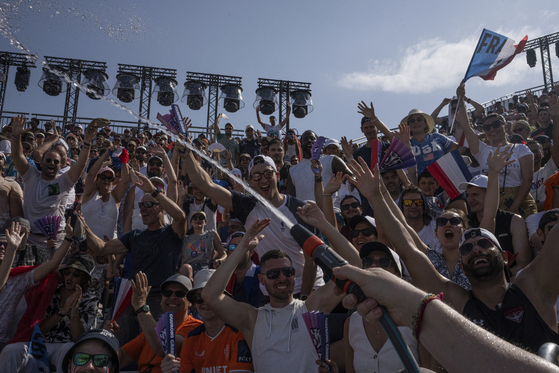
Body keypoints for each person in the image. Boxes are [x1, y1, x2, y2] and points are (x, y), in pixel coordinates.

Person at [347, 158, 559, 354]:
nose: (476, 249)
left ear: (504, 256)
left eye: (485, 244)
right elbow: (407, 249)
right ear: (463, 267)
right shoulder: (456, 302)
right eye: (467, 249)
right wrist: (375, 196)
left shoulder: (532, 287)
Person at [318, 265, 559, 373]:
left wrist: (413, 306)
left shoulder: (528, 290)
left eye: (384, 262)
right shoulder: (355, 322)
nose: (375, 268)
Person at [200, 218, 347, 373]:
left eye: (287, 272)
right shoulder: (252, 319)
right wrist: (242, 248)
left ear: (294, 274)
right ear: (262, 280)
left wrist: (323, 224)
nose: (282, 278)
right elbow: (210, 295)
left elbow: (353, 269)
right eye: (273, 274)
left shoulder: (312, 308)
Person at [183, 150, 324, 298]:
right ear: (250, 182)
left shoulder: (299, 208)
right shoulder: (248, 207)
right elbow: (206, 185)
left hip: (308, 289)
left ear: (277, 175)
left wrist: (304, 298)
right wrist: (186, 155)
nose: (263, 180)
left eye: (268, 174)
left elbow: (312, 259)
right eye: (256, 176)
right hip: (272, 292)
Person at [83, 171, 187, 343]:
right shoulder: (135, 235)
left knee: (154, 345)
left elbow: (181, 216)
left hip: (158, 298)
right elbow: (102, 249)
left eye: (148, 205)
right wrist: (84, 226)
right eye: (141, 205)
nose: (143, 209)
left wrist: (153, 190)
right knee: (108, 336)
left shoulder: (171, 233)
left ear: (160, 207)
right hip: (130, 296)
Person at [9, 115, 99, 248]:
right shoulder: (31, 175)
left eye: (56, 161)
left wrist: (87, 143)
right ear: (42, 161)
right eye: (48, 160)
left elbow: (80, 165)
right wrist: (15, 136)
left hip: (56, 239)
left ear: (61, 164)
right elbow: (17, 156)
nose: (52, 163)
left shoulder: (65, 182)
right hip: (31, 239)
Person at [1, 251, 99, 372]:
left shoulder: (90, 299)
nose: (69, 277)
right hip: (39, 344)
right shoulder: (51, 290)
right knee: (10, 350)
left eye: (76, 274)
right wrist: (61, 312)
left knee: (70, 350)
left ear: (84, 278)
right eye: (67, 272)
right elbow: (39, 328)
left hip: (64, 345)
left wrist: (74, 310)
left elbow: (77, 337)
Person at [343, 241, 427, 373]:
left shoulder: (415, 320)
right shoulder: (351, 323)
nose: (374, 265)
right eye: (368, 260)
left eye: (384, 262)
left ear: (398, 274)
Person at [457, 84, 537, 217]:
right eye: (487, 127)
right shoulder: (482, 150)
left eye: (496, 125)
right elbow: (466, 127)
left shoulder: (521, 148)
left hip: (520, 199)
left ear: (505, 126)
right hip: (491, 199)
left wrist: (514, 206)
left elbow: (528, 180)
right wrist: (461, 100)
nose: (492, 130)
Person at [160, 269, 254, 373]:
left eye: (211, 297)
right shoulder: (191, 339)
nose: (205, 302)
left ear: (224, 299)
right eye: (199, 297)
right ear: (194, 303)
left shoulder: (239, 333)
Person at [106, 272, 202, 373]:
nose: (172, 297)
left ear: (190, 302)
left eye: (180, 294)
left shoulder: (196, 327)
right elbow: (120, 359)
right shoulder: (150, 332)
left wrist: (140, 306)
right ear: (161, 300)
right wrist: (111, 339)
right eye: (167, 293)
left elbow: (164, 348)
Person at [460, 174, 532, 275]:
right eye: (467, 195)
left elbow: (524, 263)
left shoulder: (514, 221)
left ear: (491, 195)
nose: (469, 200)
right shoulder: (465, 222)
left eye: (475, 195)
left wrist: (498, 281)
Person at [286, 130, 352, 202]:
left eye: (312, 139)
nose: (309, 141)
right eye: (305, 139)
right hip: (304, 212)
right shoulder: (293, 170)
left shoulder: (332, 160)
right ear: (300, 143)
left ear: (318, 142)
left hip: (330, 211)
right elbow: (290, 199)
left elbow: (352, 179)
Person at [81, 148, 129, 241]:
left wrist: (125, 161)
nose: (106, 180)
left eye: (110, 178)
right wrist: (106, 154)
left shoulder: (115, 197)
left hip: (110, 247)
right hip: (88, 245)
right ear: (97, 179)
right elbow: (91, 174)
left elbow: (124, 181)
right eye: (103, 177)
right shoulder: (89, 194)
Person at [178, 210, 227, 282]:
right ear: (191, 222)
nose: (198, 219)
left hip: (204, 268)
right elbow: (178, 258)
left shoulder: (212, 235)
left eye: (201, 217)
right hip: (187, 269)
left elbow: (223, 254)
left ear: (205, 222)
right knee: (186, 268)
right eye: (194, 218)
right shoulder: (185, 239)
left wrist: (220, 260)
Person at [224, 231, 263, 307]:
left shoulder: (262, 276)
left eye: (242, 247)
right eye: (232, 247)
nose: (237, 251)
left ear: (251, 252)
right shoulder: (223, 276)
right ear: (228, 251)